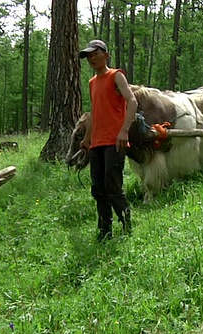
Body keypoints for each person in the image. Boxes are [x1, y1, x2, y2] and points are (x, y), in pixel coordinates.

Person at [79, 39, 138, 242]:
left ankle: (126, 223)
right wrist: (87, 137)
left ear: (106, 54)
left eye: (95, 53)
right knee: (98, 188)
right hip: (97, 143)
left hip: (115, 141)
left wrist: (124, 131)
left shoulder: (116, 76)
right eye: (88, 56)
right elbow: (95, 113)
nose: (92, 58)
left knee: (112, 185)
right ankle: (104, 230)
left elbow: (132, 101)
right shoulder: (92, 83)